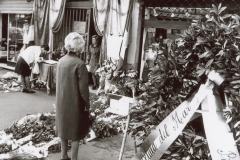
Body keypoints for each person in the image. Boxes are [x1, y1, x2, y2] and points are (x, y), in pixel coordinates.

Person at [55, 32, 90, 160]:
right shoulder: (79, 64)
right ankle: (74, 158)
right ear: (79, 47)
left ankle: (64, 156)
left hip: (61, 101)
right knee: (76, 132)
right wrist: (87, 103)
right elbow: (83, 89)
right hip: (75, 102)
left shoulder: (61, 61)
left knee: (63, 130)